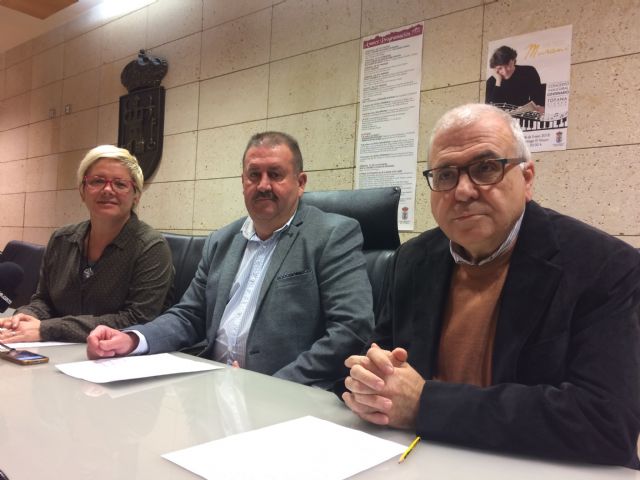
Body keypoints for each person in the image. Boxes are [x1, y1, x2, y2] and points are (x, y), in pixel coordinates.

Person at [341, 104, 640, 468]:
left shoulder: (605, 266)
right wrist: (368, 381)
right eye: (446, 174)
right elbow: (381, 358)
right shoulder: (412, 259)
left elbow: (605, 422)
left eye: (485, 168)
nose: (463, 191)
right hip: (422, 460)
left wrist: (425, 403)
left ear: (527, 179)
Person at [87, 132, 374, 389]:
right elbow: (189, 315)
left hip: (287, 395)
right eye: (254, 175)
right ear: (243, 182)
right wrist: (133, 339)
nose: (263, 185)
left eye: (275, 174)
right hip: (211, 388)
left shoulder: (332, 235)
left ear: (300, 183)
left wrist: (270, 386)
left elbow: (351, 328)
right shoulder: (221, 241)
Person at [0, 145, 174, 343]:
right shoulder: (61, 239)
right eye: (97, 181)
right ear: (82, 191)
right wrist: (27, 316)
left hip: (115, 356)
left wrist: (48, 329)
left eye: (120, 184)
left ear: (136, 196)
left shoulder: (151, 247)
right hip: (57, 349)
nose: (107, 190)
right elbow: (44, 300)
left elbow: (137, 319)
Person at [485, 45, 545, 115]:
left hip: (527, 116)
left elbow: (538, 96)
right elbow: (492, 110)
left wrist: (540, 107)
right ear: (495, 69)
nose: (505, 71)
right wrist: (498, 82)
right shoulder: (491, 82)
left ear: (513, 60)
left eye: (508, 65)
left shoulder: (528, 71)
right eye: (500, 68)